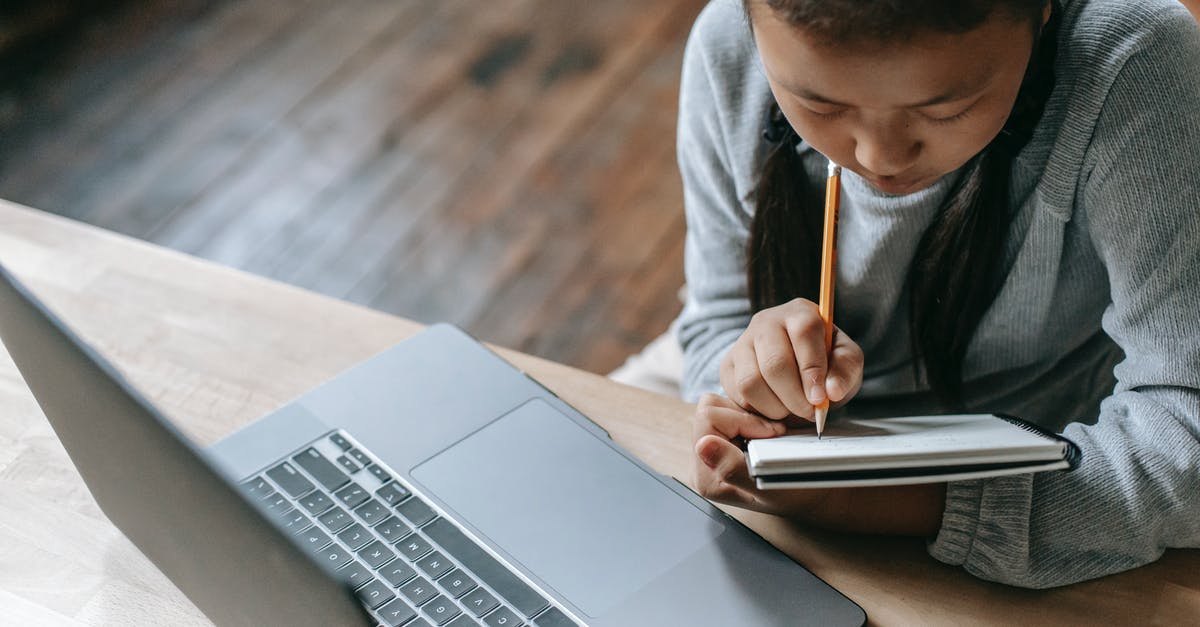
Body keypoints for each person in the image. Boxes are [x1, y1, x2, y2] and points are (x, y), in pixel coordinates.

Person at [615, 0, 1200, 588]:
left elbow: (1185, 434)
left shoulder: (1132, 60)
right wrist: (751, 389)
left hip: (1042, 462)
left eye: (947, 108)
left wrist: (862, 502)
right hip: (800, 455)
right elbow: (717, 315)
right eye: (820, 104)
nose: (879, 157)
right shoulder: (729, 45)